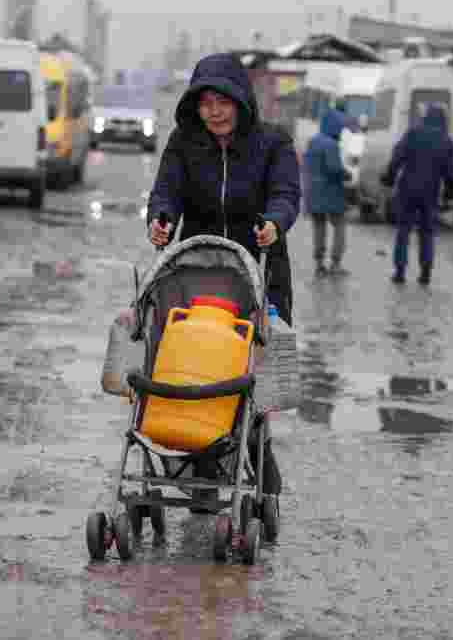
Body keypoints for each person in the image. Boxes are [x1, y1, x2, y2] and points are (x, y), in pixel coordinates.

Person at [146, 52, 301, 502]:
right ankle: (205, 463)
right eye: (205, 103)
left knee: (254, 368)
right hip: (200, 272)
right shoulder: (184, 142)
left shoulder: (273, 143)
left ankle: (257, 444)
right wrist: (160, 218)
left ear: (241, 101)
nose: (214, 112)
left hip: (260, 270)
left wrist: (275, 222)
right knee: (198, 361)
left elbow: (286, 193)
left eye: (223, 102)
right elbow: (167, 190)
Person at [381, 105, 453, 286]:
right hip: (430, 193)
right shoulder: (446, 141)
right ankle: (425, 271)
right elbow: (450, 173)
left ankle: (400, 271)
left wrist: (389, 177)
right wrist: (449, 194)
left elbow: (397, 156)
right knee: (427, 232)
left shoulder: (413, 134)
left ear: (426, 118)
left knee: (403, 230)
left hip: (407, 190)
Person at [304, 108, 352, 276]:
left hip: (313, 192)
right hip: (331, 192)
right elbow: (334, 169)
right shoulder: (331, 144)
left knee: (319, 226)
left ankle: (319, 263)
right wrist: (347, 174)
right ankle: (335, 263)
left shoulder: (313, 141)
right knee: (340, 225)